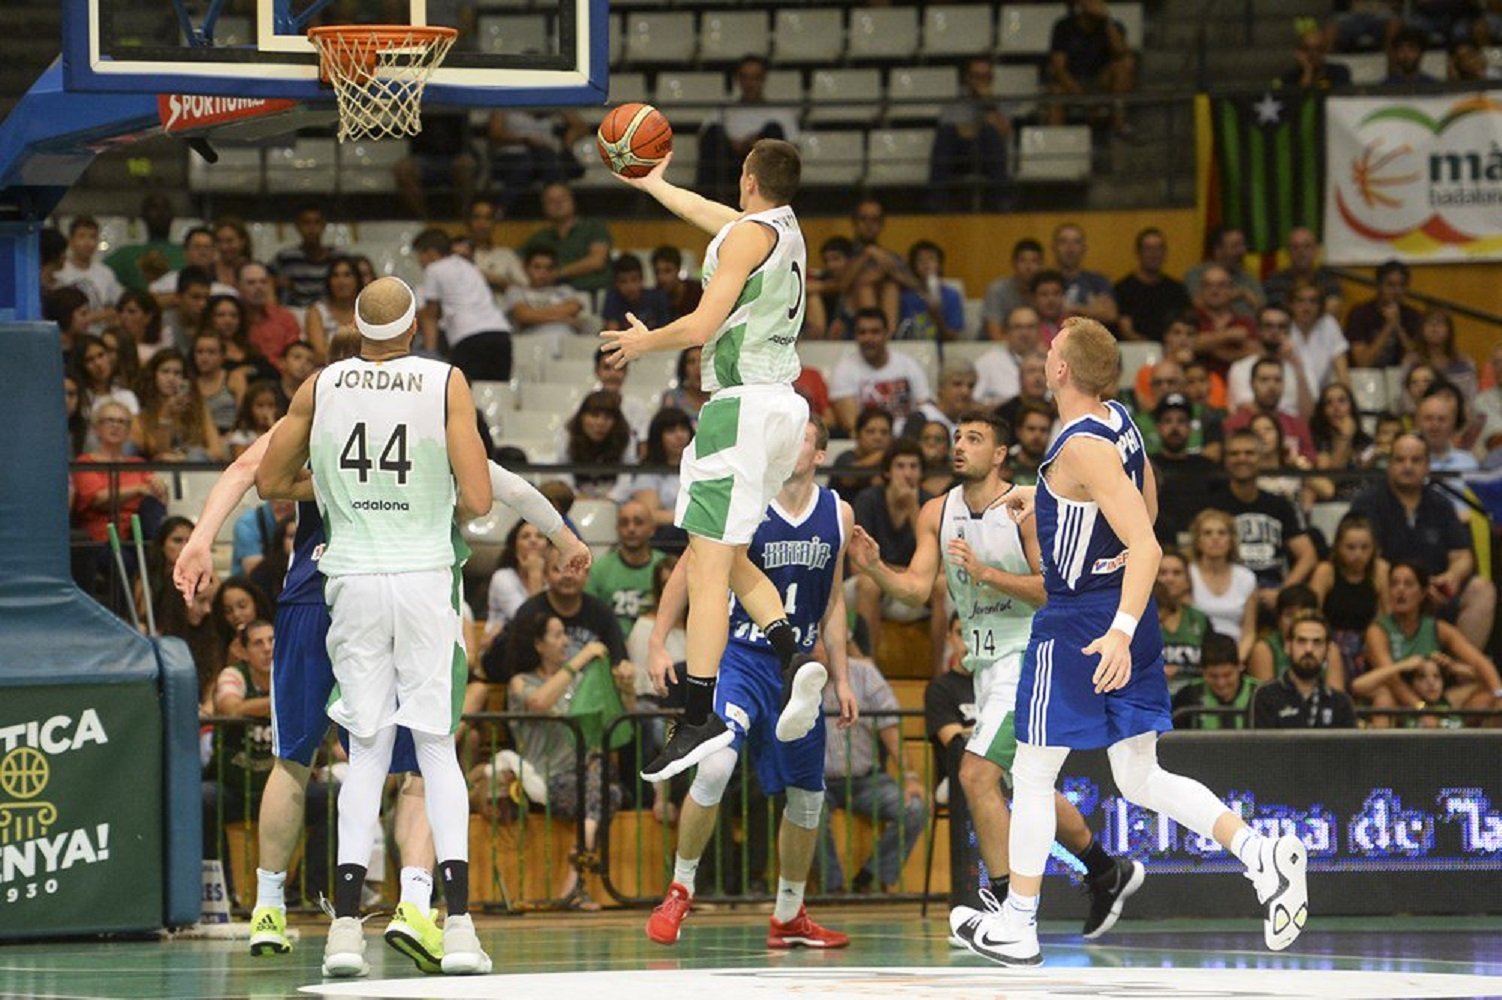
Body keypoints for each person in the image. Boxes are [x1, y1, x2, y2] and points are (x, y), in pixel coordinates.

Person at [961, 317, 1308, 967]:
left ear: (1062, 370)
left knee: (1031, 771)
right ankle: (1262, 854)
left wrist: (1114, 630)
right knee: (1139, 775)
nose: (1044, 357)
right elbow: (1137, 508)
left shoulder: (1080, 446)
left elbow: (1147, 540)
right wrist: (1049, 508)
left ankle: (1019, 921)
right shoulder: (1118, 420)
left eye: (1051, 351)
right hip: (1127, 609)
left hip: (1083, 623)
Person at [255, 276, 495, 977]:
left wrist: (329, 485)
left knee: (363, 753)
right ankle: (458, 931)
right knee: (436, 750)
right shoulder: (445, 380)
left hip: (351, 578)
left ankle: (342, 934)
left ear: (357, 330)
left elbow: (271, 481)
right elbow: (478, 499)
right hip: (422, 576)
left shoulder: (321, 385)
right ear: (417, 328)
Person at [849, 408, 1143, 939]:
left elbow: (1053, 588)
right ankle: (1105, 869)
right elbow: (916, 589)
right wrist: (873, 568)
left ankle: (1011, 911)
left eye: (975, 438)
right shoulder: (937, 511)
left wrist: (985, 573)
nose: (960, 445)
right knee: (1021, 785)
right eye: (958, 437)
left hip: (1031, 658)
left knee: (974, 775)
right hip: (986, 668)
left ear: (1001, 454)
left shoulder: (1028, 509)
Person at [601, 139, 826, 782]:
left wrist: (645, 342)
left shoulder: (743, 238)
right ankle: (791, 651)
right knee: (727, 559)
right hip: (784, 410)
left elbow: (701, 326)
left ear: (748, 178)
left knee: (704, 565)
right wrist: (653, 184)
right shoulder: (781, 230)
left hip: (739, 411)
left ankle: (698, 716)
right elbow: (706, 212)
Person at [644, 417, 857, 947]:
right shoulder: (746, 501)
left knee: (807, 798)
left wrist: (844, 674)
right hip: (740, 654)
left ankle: (789, 914)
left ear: (821, 453)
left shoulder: (839, 513)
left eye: (803, 437)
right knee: (715, 764)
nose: (790, 443)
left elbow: (833, 599)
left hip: (797, 666)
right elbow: (689, 570)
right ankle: (680, 890)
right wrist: (656, 639)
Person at [503, 610, 632, 909]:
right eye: (558, 635)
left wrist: (626, 689)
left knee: (606, 788)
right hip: (545, 780)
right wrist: (582, 659)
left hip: (586, 777)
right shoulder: (520, 683)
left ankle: (575, 879)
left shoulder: (579, 683)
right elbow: (539, 702)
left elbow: (615, 719)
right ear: (539, 644)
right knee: (605, 790)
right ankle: (576, 884)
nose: (566, 642)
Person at [1350, 434, 1496, 651]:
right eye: (1400, 460)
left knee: (1482, 589)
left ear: (1427, 465)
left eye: (1416, 460)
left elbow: (1463, 556)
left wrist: (1451, 577)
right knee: (1381, 574)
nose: (1407, 467)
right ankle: (1391, 663)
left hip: (1433, 593)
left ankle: (1460, 672)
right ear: (1389, 465)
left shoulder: (1441, 504)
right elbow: (1367, 559)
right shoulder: (1368, 503)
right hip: (1388, 593)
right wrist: (1410, 589)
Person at [1356, 561, 1501, 720]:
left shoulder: (1438, 628)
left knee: (1486, 695)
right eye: (1394, 584)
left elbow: (1479, 662)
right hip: (1398, 699)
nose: (1400, 590)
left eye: (1408, 584)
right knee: (1384, 698)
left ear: (1423, 592)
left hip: (1431, 696)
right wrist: (1421, 709)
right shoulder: (1377, 630)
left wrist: (1498, 693)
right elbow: (1392, 680)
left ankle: (1472, 742)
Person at [1209, 430, 1317, 598]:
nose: (1242, 458)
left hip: (1272, 588)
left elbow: (1308, 555)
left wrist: (1282, 593)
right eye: (1234, 454)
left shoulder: (1279, 505)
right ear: (1225, 460)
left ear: (1261, 458)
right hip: (1228, 591)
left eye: (1249, 453)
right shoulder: (1213, 506)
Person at [413, 228, 514, 383]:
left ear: (430, 253)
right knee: (497, 388)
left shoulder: (434, 269)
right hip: (501, 335)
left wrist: (430, 353)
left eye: (420, 255)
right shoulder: (469, 266)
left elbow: (430, 316)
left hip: (469, 338)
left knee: (466, 395)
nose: (420, 262)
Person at [697, 55, 800, 196]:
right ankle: (708, 198)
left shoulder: (781, 112)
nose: (750, 83)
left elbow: (793, 150)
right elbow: (703, 140)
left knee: (773, 131)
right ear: (738, 80)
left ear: (763, 80)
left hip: (763, 170)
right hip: (728, 166)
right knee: (713, 132)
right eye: (745, 77)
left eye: (756, 78)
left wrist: (758, 145)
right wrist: (735, 144)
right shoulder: (723, 110)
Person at [1310, 512, 1389, 679]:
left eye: (1365, 548)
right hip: (1332, 645)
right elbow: (1312, 616)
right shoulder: (1326, 571)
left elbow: (1386, 618)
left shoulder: (1380, 570)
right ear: (1338, 546)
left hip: (1367, 646)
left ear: (1374, 548)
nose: (1358, 555)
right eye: (1351, 547)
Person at [929, 56, 1012, 212]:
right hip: (958, 155)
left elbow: (1003, 135)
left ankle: (1002, 205)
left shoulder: (1000, 102)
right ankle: (936, 204)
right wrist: (978, 128)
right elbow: (951, 130)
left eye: (986, 76)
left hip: (988, 155)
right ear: (967, 78)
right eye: (976, 76)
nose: (981, 81)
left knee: (990, 134)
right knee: (946, 134)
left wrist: (988, 104)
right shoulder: (955, 101)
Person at [830, 309, 933, 433]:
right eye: (862, 332)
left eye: (875, 332)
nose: (868, 338)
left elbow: (925, 408)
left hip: (908, 440)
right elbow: (852, 425)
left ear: (887, 334)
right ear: (855, 336)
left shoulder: (908, 365)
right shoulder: (844, 370)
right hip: (871, 440)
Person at [1251, 612, 1358, 729]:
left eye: (1317, 642)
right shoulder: (1266, 696)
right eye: (1301, 641)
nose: (1309, 649)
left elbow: (1349, 747)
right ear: (1288, 646)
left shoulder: (1340, 703)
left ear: (1328, 649)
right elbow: (1259, 746)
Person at [1045, 0, 1137, 134]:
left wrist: (1107, 20)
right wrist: (1084, 99)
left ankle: (1119, 124)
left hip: (1099, 81)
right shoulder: (1063, 26)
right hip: (1071, 82)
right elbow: (1059, 69)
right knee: (1056, 92)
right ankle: (1054, 141)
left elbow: (1121, 53)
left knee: (1126, 64)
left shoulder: (1113, 26)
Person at [586, 499, 668, 638]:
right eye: (624, 523)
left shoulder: (666, 568)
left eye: (638, 522)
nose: (631, 529)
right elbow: (590, 618)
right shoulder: (599, 570)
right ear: (617, 529)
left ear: (652, 528)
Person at [1148, 393, 1223, 545]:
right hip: (1158, 543)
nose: (1174, 427)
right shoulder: (1147, 467)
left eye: (1181, 421)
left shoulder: (1207, 467)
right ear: (1158, 427)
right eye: (1168, 421)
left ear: (1190, 427)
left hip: (1201, 545)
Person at [837, 198, 921, 331]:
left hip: (889, 311)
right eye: (863, 219)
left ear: (882, 224)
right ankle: (872, 331)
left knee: (891, 286)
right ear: (854, 222)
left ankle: (887, 336)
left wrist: (888, 272)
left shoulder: (888, 256)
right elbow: (839, 286)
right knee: (865, 287)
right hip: (848, 317)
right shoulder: (843, 253)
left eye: (875, 220)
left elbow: (915, 284)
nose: (869, 225)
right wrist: (866, 254)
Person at [1187, 508, 1259, 659]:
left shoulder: (1246, 578)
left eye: (1222, 533)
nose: (1215, 538)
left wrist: (1235, 662)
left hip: (1235, 655)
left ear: (1231, 540)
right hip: (1193, 654)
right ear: (1197, 540)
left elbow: (1249, 632)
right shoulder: (1187, 574)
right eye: (1207, 533)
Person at [131, 348, 225, 463]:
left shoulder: (198, 408)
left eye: (177, 373)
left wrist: (183, 458)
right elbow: (160, 454)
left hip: (194, 468)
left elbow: (217, 452)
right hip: (158, 474)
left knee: (196, 454)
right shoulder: (142, 417)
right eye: (165, 372)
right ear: (154, 376)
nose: (171, 379)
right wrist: (166, 413)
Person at [521, 182, 613, 297]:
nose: (558, 203)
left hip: (596, 295)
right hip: (552, 298)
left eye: (562, 198)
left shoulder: (594, 227)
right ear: (544, 206)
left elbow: (597, 261)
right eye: (551, 201)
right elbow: (519, 263)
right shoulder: (539, 238)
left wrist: (557, 273)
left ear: (572, 200)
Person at [1247, 585, 1348, 689]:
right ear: (1279, 619)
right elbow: (1267, 699)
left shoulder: (1330, 648)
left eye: (1302, 615)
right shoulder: (1264, 649)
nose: (1295, 621)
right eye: (1289, 615)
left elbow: (1336, 697)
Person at [1227, 306, 1316, 422]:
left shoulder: (1300, 368)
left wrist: (1298, 369)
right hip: (1254, 432)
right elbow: (1247, 410)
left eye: (1281, 327)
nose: (1275, 332)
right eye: (1268, 326)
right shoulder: (1240, 369)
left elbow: (1307, 416)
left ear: (1289, 332)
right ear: (1258, 330)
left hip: (1295, 433)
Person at [485, 109, 587, 209]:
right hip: (513, 154)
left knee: (550, 163)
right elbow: (495, 132)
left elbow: (580, 126)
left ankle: (559, 208)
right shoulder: (505, 100)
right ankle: (503, 208)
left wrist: (567, 143)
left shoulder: (548, 99)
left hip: (544, 153)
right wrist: (524, 140)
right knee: (528, 163)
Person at [617, 406, 694, 536]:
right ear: (658, 437)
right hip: (665, 535)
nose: (679, 435)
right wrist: (695, 518)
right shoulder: (648, 472)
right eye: (671, 431)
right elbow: (649, 515)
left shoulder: (701, 468)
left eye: (683, 429)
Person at [502, 246, 594, 354]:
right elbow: (524, 315)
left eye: (549, 268)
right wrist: (564, 318)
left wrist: (535, 316)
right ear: (525, 268)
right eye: (537, 267)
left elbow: (574, 308)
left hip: (567, 341)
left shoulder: (565, 290)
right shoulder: (516, 291)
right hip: (532, 344)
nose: (543, 273)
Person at [1224, 360, 1317, 461]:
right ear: (1252, 384)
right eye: (1264, 380)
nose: (1272, 386)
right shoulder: (1233, 425)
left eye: (1277, 380)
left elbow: (1310, 463)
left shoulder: (1297, 426)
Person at [555, 389, 636, 499]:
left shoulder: (626, 437)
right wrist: (576, 495)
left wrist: (613, 497)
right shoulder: (568, 436)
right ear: (582, 417)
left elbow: (627, 475)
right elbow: (563, 471)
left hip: (615, 498)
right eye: (594, 415)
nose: (600, 423)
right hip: (577, 497)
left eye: (607, 417)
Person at [1114, 227, 1190, 342]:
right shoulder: (1123, 289)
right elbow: (1126, 332)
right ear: (1138, 253)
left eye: (1159, 248)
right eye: (1148, 248)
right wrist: (1153, 349)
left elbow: (1186, 326)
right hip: (1136, 351)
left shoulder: (1176, 289)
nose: (1154, 254)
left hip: (1172, 350)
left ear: (1165, 253)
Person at [1345, 259, 1422, 368]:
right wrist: (1388, 327)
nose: (1396, 291)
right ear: (1379, 286)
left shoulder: (1412, 316)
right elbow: (1363, 362)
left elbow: (1417, 360)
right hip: (1367, 377)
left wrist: (1398, 327)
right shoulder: (1360, 314)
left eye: (1401, 285)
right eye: (1390, 285)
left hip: (1402, 376)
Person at [1171, 632, 1256, 730]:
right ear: (1202, 671)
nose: (1221, 683)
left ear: (1239, 667)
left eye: (1227, 675)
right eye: (1213, 676)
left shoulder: (1259, 694)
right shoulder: (1187, 696)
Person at [1156, 549, 1212, 691]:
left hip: (1194, 697)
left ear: (1188, 581)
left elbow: (1212, 666)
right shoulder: (1138, 618)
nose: (1169, 579)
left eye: (1177, 573)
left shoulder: (1200, 620)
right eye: (1163, 573)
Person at [486, 520, 550, 641]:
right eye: (526, 536)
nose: (533, 540)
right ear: (515, 549)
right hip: (504, 648)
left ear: (548, 548)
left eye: (540, 536)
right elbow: (530, 622)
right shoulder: (502, 578)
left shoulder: (553, 580)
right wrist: (534, 573)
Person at [57, 215, 123, 331]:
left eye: (92, 237)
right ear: (71, 240)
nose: (87, 242)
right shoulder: (60, 271)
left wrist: (94, 317)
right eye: (81, 236)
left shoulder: (105, 273)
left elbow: (118, 306)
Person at [1286, 279, 1351, 399]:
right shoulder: (1283, 327)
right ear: (1291, 304)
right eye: (1301, 301)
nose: (1306, 307)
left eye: (1312, 301)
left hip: (1321, 402)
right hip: (1288, 401)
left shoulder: (1329, 325)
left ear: (1320, 305)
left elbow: (1343, 375)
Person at [1192, 265, 1258, 374]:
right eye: (1208, 285)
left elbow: (1254, 352)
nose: (1214, 290)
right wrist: (1229, 336)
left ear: (1231, 289)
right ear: (1201, 289)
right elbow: (1189, 344)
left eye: (1221, 285)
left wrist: (1208, 347)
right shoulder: (1191, 318)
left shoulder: (1245, 322)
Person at [1186, 226, 1264, 318]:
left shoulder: (1248, 278)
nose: (1242, 251)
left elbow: (1263, 311)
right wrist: (1240, 293)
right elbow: (1199, 304)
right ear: (1218, 251)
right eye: (1235, 246)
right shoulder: (1196, 274)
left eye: (1243, 245)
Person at [1405, 308, 1478, 404]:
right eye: (1429, 323)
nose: (1434, 327)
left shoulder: (1464, 363)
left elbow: (1470, 399)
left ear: (1449, 330)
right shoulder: (1411, 362)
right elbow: (1405, 400)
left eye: (1440, 323)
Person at [1050, 223, 1117, 327]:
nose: (1070, 248)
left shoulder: (1097, 281)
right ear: (1054, 247)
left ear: (1084, 248)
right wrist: (1091, 309)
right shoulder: (1045, 281)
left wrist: (1073, 308)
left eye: (1076, 242)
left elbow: (1110, 314)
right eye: (1063, 242)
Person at [897, 241, 966, 342]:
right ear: (913, 266)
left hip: (942, 351)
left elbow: (952, 338)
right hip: (912, 349)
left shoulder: (951, 296)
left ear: (939, 264)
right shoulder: (905, 297)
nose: (926, 264)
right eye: (920, 260)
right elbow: (900, 335)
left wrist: (937, 317)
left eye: (931, 259)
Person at [974, 306, 1041, 407]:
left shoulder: (1054, 361)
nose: (1024, 333)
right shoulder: (987, 362)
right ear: (1006, 332)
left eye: (1030, 327)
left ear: (1039, 331)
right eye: (1018, 327)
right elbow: (972, 402)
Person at [1264, 229, 1343, 313]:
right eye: (1295, 247)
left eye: (1307, 246)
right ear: (1288, 252)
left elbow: (1332, 309)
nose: (1301, 252)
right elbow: (1275, 312)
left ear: (1316, 250)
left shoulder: (1327, 279)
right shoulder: (1275, 281)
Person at [981, 239, 1045, 342]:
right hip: (990, 347)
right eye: (1023, 261)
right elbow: (995, 335)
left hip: (1030, 348)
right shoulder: (998, 290)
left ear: (1041, 265)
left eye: (1034, 261)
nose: (1028, 267)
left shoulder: (1045, 291)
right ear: (1014, 263)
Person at [272, 205, 334, 308]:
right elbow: (265, 278)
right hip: (293, 313)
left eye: (317, 222)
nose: (312, 228)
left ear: (324, 225)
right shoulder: (286, 258)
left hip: (329, 314)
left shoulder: (337, 257)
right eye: (306, 223)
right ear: (297, 226)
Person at [304, 256, 366, 358]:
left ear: (357, 280)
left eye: (347, 275)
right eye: (335, 276)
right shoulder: (316, 311)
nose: (341, 281)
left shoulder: (367, 311)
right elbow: (319, 353)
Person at [902, 360, 976, 440]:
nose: (965, 392)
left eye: (970, 386)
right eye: (957, 384)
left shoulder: (974, 424)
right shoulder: (920, 419)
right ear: (940, 388)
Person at [829, 406, 894, 498]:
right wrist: (883, 453)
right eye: (870, 432)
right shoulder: (845, 458)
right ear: (858, 435)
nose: (878, 437)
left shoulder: (895, 461)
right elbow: (848, 479)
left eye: (884, 432)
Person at [601, 254, 672, 332]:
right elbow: (613, 333)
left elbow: (666, 331)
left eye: (634, 279)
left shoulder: (657, 298)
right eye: (623, 281)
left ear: (642, 279)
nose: (630, 287)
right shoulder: (613, 299)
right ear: (616, 284)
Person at [1281, 27, 1354, 89]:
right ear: (1299, 52)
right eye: (1307, 49)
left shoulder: (1339, 72)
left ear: (1324, 52)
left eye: (1318, 49)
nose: (1313, 54)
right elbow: (1297, 101)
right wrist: (1308, 71)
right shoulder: (1291, 76)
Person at [1004, 401, 1053, 487]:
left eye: (1043, 430)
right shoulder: (1001, 467)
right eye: (1031, 429)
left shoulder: (1056, 471)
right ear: (1018, 431)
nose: (1037, 436)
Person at [660, 346, 710, 422]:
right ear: (683, 368)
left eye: (702, 360)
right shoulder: (672, 399)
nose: (697, 367)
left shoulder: (719, 397)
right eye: (691, 362)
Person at [653, 246, 702, 321]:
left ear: (678, 269)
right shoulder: (655, 297)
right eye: (657, 272)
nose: (661, 277)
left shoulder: (696, 291)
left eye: (667, 271)